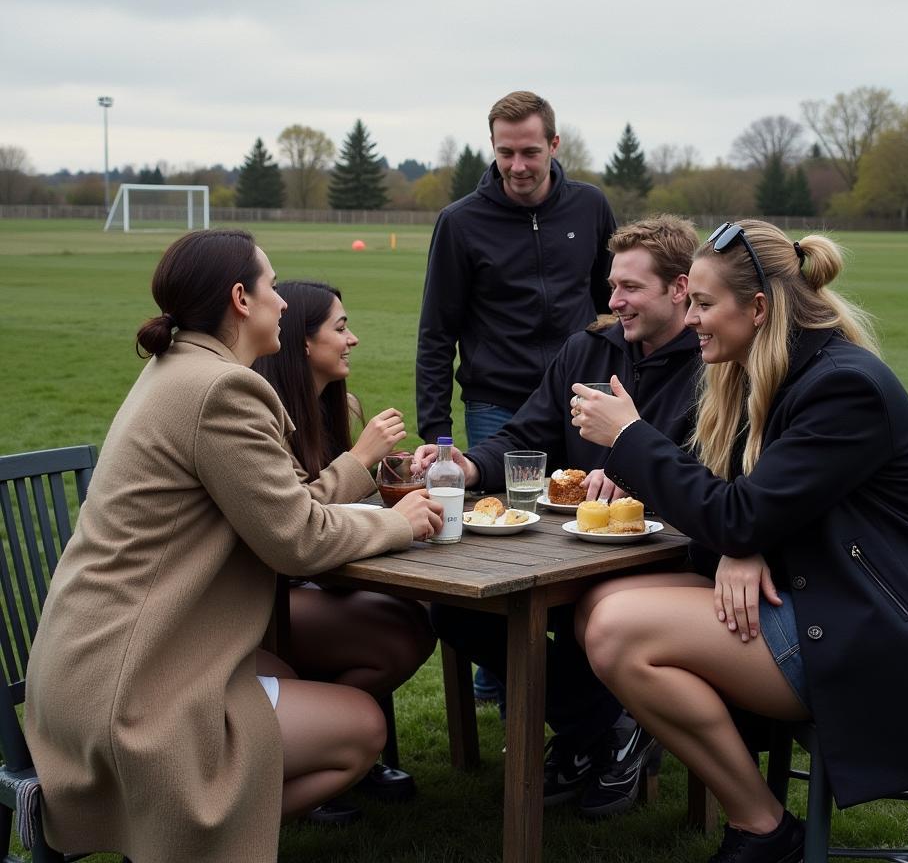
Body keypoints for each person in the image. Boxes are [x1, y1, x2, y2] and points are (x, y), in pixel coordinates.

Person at [571, 220, 908, 863]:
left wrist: (632, 439)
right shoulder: (775, 369)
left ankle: (762, 828)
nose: (690, 321)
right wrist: (748, 543)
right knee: (596, 601)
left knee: (616, 631)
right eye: (689, 303)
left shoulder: (843, 388)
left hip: (884, 641)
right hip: (826, 594)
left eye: (704, 304)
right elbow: (752, 511)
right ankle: (665, 771)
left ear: (760, 308)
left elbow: (740, 515)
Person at [25, 230, 443, 863]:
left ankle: (191, 828)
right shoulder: (223, 390)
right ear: (241, 299)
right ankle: (182, 833)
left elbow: (287, 506)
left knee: (326, 659)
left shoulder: (181, 371)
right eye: (273, 286)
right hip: (133, 689)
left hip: (96, 663)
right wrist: (401, 523)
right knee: (362, 729)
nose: (281, 300)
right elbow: (298, 538)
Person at [416, 215, 704, 818]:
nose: (613, 300)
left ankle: (588, 738)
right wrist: (467, 468)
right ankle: (607, 731)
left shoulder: (713, 362)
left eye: (631, 288)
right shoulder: (588, 348)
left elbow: (709, 475)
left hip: (667, 560)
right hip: (571, 545)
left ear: (680, 288)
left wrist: (632, 479)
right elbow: (527, 434)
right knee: (456, 609)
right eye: (612, 285)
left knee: (583, 612)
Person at [416, 89, 615, 703]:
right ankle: (501, 680)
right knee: (503, 539)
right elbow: (436, 331)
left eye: (530, 151)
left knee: (579, 527)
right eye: (506, 152)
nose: (518, 165)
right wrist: (435, 434)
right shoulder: (460, 222)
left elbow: (613, 309)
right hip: (497, 407)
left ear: (555, 146)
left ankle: (583, 669)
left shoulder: (590, 206)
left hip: (582, 400)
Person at [252, 280, 437, 816]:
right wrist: (361, 458)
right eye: (340, 327)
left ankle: (319, 744)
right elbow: (295, 517)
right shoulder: (257, 414)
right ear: (304, 344)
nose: (351, 339)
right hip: (269, 593)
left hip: (311, 576)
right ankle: (319, 750)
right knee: (395, 630)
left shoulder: (332, 403)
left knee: (409, 626)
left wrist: (392, 471)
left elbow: (332, 498)